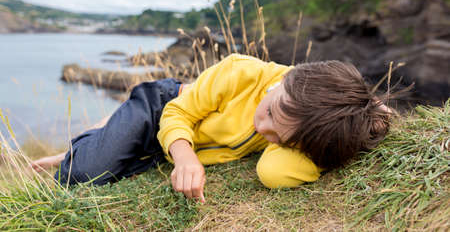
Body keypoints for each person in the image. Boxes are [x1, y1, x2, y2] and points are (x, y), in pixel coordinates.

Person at [32, 54, 393, 203]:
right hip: (163, 107)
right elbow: (176, 115)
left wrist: (365, 117)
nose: (261, 126)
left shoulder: (306, 123)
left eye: (277, 137)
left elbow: (274, 171)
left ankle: (103, 135)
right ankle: (88, 141)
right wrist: (185, 157)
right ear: (281, 82)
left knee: (117, 167)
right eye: (267, 111)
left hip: (167, 147)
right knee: (79, 175)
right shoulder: (241, 72)